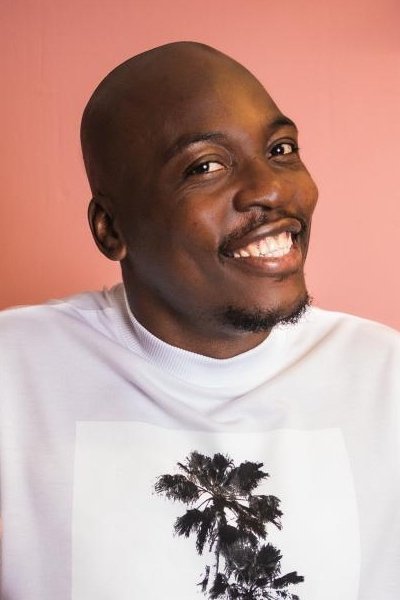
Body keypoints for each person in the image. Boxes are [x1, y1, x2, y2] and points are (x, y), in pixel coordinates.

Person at [0, 41, 398, 600]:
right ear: (111, 229)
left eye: (281, 149)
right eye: (205, 166)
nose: (272, 187)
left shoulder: (385, 378)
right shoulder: (15, 375)